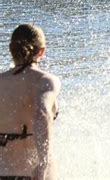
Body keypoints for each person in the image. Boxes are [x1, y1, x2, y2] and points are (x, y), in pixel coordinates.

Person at [0, 24, 60, 180]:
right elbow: (42, 113)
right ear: (42, 51)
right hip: (32, 172)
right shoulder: (45, 81)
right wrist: (43, 162)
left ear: (11, 49)